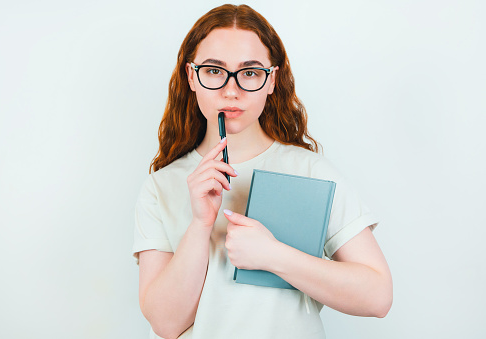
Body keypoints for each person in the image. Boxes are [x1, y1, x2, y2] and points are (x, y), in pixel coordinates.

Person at [132, 4, 392, 339]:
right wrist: (200, 226)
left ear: (273, 80)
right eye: (214, 71)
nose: (231, 90)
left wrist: (273, 255)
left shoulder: (311, 171)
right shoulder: (160, 187)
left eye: (250, 73)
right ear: (191, 77)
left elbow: (378, 296)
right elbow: (165, 324)